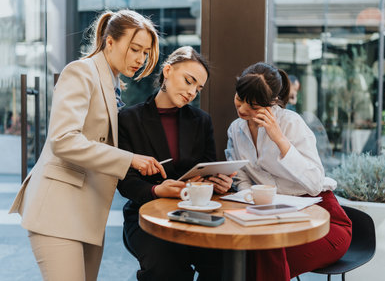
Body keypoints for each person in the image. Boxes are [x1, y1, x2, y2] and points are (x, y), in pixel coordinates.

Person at [9, 9, 166, 281]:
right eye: (135, 49)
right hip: (57, 212)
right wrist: (129, 158)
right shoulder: (81, 72)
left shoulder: (111, 83)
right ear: (110, 42)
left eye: (145, 52)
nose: (140, 59)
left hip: (87, 213)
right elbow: (63, 140)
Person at [225, 62, 352, 281]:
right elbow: (242, 177)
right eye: (239, 98)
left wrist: (280, 140)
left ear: (271, 103)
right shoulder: (236, 129)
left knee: (264, 251)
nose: (243, 109)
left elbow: (314, 183)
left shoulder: (291, 123)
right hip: (272, 217)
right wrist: (249, 198)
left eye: (254, 106)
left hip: (323, 221)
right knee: (242, 251)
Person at [117, 46, 234, 281]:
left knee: (227, 261)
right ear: (168, 71)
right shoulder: (129, 119)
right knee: (167, 267)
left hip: (195, 214)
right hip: (147, 216)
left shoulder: (201, 121)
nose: (192, 92)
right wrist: (156, 189)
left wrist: (218, 184)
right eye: (189, 81)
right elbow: (125, 181)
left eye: (198, 88)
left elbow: (208, 168)